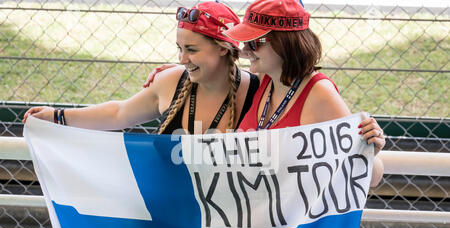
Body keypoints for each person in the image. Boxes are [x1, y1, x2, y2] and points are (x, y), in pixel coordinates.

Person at [22, 1, 260, 135]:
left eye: (192, 50)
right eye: (179, 48)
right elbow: (119, 113)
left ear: (222, 48)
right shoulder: (171, 83)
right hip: (168, 216)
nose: (182, 58)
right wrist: (58, 116)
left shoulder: (259, 89)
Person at [222, 0, 385, 187]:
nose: (246, 50)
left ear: (284, 43)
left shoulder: (320, 94)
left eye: (254, 42)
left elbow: (371, 178)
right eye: (245, 42)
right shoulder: (267, 78)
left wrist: (371, 151)